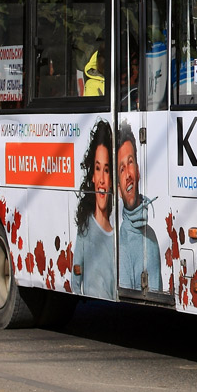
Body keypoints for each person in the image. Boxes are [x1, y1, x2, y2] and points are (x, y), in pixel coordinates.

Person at [115, 119, 162, 291]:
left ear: (138, 170)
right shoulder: (122, 245)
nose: (128, 174)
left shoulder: (151, 235)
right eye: (121, 169)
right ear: (118, 188)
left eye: (130, 162)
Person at [72, 119, 116, 299]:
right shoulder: (85, 228)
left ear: (112, 179)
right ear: (92, 176)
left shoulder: (118, 234)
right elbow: (75, 280)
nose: (102, 180)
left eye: (107, 170)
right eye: (98, 169)